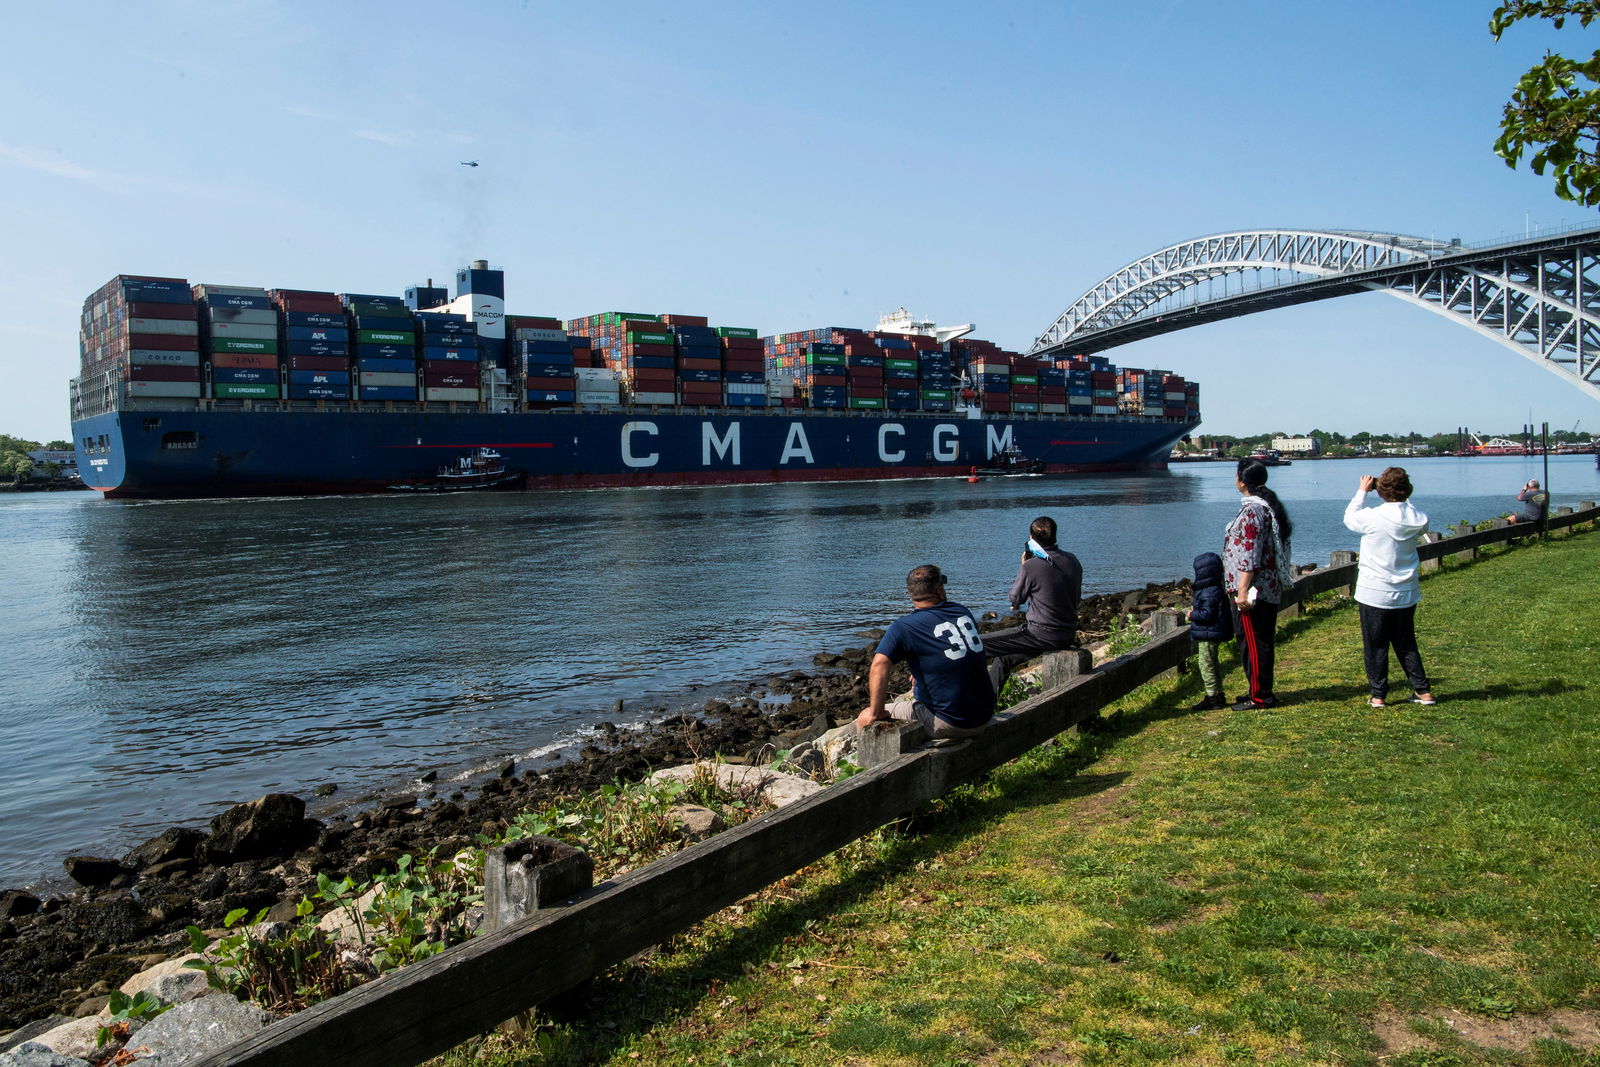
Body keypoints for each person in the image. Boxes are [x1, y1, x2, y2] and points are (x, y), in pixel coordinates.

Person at [856, 564, 996, 738]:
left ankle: (874, 766)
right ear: (939, 590)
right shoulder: (962, 612)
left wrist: (876, 713)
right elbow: (954, 653)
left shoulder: (904, 626)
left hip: (952, 722)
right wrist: (922, 673)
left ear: (910, 594)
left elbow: (879, 663)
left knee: (864, 718)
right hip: (984, 713)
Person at [1344, 469, 1437, 708]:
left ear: (1382, 491)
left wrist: (1362, 492)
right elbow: (1415, 514)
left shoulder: (1373, 517)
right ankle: (1422, 690)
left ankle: (1378, 695)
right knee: (1406, 641)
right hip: (1406, 590)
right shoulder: (1418, 519)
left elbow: (1350, 518)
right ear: (1407, 490)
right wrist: (1400, 494)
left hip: (1374, 590)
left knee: (1376, 645)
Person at [1222, 458, 1294, 710]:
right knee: (1257, 640)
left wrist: (1242, 590)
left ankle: (1261, 696)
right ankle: (1257, 687)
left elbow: (1249, 553)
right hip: (1266, 586)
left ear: (1242, 481)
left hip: (1253, 590)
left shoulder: (1253, 511)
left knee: (1254, 641)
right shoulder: (1267, 507)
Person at [982, 516, 1083, 693]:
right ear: (1055, 535)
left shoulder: (1032, 566)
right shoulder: (1072, 560)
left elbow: (1015, 598)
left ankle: (968, 707)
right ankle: (989, 704)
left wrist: (1024, 566)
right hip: (1066, 633)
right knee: (1003, 660)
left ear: (1031, 539)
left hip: (1040, 635)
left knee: (977, 645)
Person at [1185, 551, 1234, 710]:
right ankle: (1218, 696)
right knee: (1213, 664)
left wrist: (1192, 614)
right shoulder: (1215, 588)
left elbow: (1207, 614)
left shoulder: (1208, 591)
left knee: (1206, 665)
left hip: (1208, 633)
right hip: (1212, 632)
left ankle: (1212, 697)